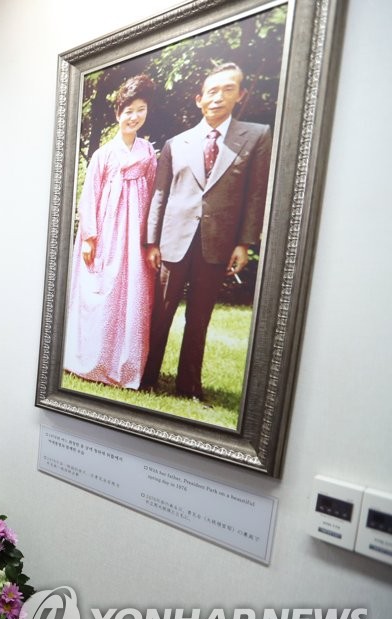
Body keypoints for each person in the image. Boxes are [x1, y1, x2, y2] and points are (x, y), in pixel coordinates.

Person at [141, 62, 272, 400]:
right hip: (173, 241)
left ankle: (189, 387)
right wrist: (151, 241)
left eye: (228, 89)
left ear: (240, 95)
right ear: (200, 99)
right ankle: (146, 377)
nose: (218, 97)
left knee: (199, 318)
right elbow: (160, 194)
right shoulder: (176, 143)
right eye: (212, 91)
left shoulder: (256, 136)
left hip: (218, 243)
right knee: (161, 313)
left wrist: (244, 243)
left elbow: (256, 195)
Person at [63, 75, 157, 388]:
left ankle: (124, 365)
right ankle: (90, 360)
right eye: (129, 110)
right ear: (118, 114)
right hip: (107, 233)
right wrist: (89, 237)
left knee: (132, 295)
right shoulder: (104, 154)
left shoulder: (148, 152)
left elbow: (155, 193)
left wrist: (150, 237)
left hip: (135, 234)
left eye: (141, 110)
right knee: (100, 292)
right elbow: (89, 197)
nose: (135, 116)